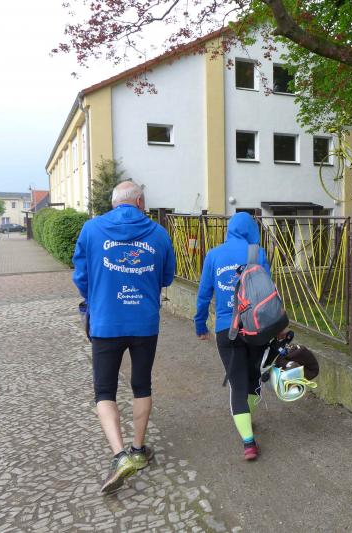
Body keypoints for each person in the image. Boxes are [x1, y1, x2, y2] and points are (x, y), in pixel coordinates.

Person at [72, 180, 176, 493]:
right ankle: (138, 450)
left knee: (104, 390)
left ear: (114, 202)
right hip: (144, 322)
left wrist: (97, 296)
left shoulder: (92, 230)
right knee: (141, 385)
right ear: (140, 202)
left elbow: (81, 276)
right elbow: (167, 277)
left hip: (106, 321)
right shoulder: (158, 233)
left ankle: (120, 456)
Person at [194, 212, 270, 461]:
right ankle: (247, 417)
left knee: (238, 385)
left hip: (227, 330)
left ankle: (248, 443)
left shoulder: (214, 255)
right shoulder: (258, 253)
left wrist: (200, 324)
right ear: (251, 230)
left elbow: (204, 294)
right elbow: (269, 291)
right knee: (253, 379)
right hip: (256, 328)